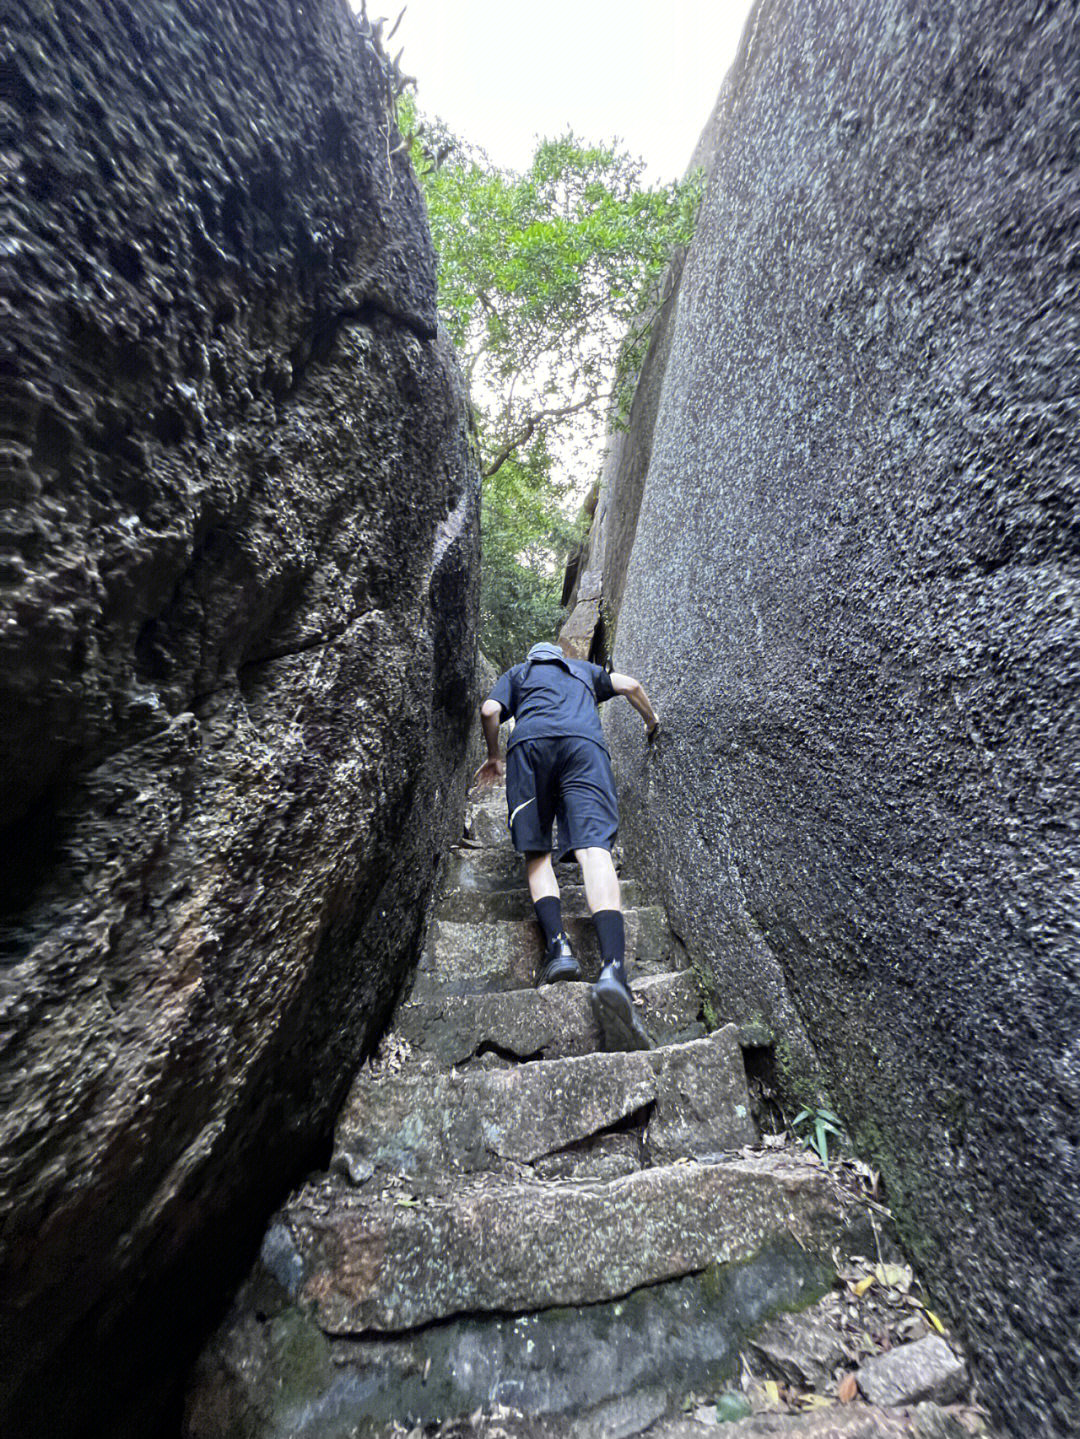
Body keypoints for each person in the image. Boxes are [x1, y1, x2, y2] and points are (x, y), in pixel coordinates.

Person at [474, 641, 659, 1051]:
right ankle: (613, 969)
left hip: (529, 749)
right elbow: (631, 685)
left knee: (538, 854)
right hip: (584, 747)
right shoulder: (583, 671)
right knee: (595, 849)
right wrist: (651, 721)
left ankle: (559, 948)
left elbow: (489, 711)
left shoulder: (518, 675)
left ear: (532, 659)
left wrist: (493, 756)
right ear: (559, 658)